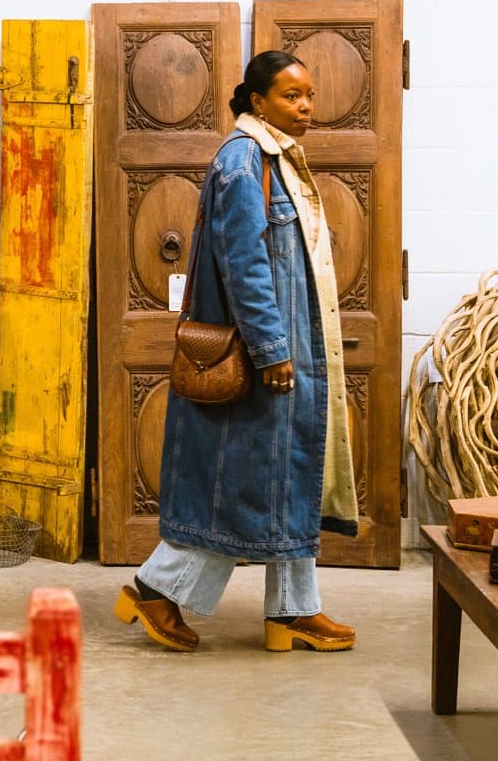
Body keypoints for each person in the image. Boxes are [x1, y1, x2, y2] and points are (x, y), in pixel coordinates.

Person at [114, 49, 358, 653]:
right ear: (257, 102)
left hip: (290, 349)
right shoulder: (244, 161)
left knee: (288, 475)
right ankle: (155, 589)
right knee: (238, 486)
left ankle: (294, 609)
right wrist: (271, 349)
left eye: (309, 95)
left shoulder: (274, 159)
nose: (306, 106)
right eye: (291, 96)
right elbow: (245, 265)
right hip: (261, 355)